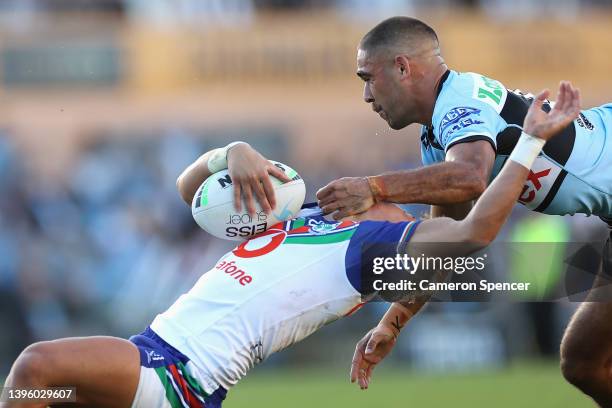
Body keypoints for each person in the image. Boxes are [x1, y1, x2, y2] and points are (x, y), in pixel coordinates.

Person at [1, 83, 578, 408]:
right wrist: (231, 153)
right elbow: (190, 193)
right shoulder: (306, 211)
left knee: (36, 371)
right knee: (47, 390)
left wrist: (527, 146)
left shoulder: (373, 250)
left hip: (181, 374)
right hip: (156, 355)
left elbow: (472, 234)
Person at [314, 16, 612, 404]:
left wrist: (372, 188)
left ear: (402, 67)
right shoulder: (440, 136)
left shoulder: (460, 102)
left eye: (367, 78)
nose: (367, 96)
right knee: (584, 363)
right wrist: (393, 321)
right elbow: (449, 240)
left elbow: (470, 176)